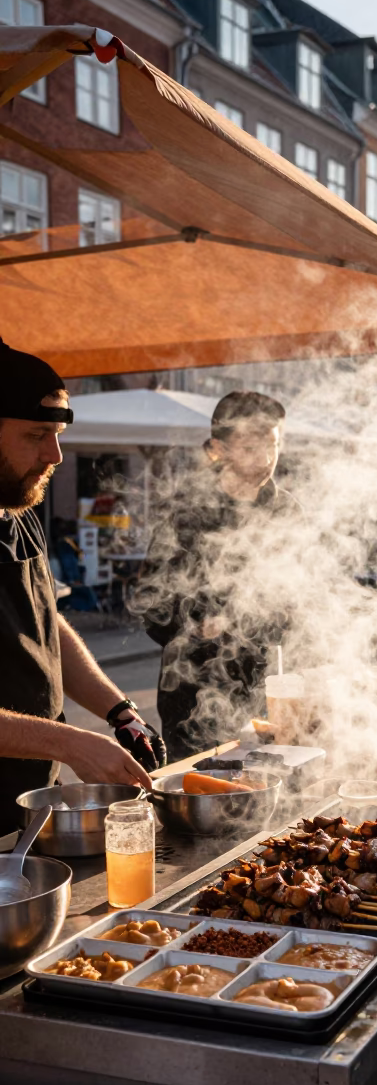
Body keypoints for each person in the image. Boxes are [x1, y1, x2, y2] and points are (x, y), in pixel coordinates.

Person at [0, 341, 164, 834]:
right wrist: (70, 743)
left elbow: (48, 625)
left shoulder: (19, 513)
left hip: (28, 804)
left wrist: (119, 710)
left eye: (57, 434)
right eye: (36, 434)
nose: (54, 455)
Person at [138, 391, 299, 761]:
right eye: (250, 446)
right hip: (191, 698)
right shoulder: (185, 513)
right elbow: (149, 602)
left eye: (272, 445)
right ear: (217, 449)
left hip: (265, 691)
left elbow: (303, 603)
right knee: (201, 800)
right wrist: (194, 624)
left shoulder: (287, 511)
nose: (265, 459)